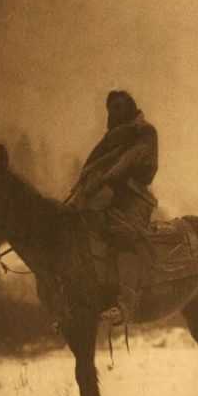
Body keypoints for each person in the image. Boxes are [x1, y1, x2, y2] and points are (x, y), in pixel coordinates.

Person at [67, 90, 158, 325]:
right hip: (104, 197)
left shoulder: (145, 132)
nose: (115, 111)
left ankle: (125, 303)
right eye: (111, 108)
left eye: (120, 106)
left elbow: (135, 162)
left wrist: (107, 178)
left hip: (134, 197)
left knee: (123, 232)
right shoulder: (109, 140)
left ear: (130, 107)